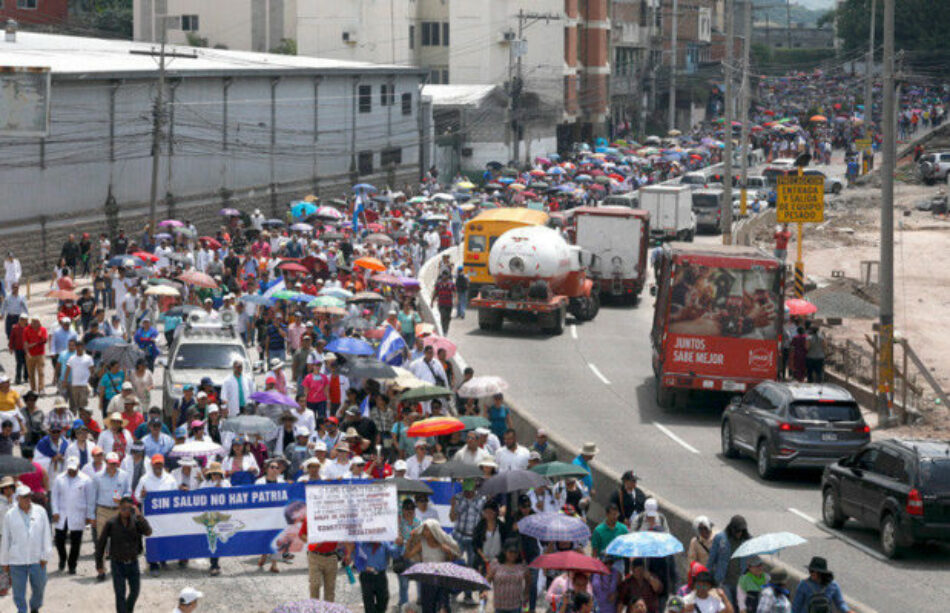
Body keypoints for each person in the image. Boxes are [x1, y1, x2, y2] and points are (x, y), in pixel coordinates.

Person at [0, 484, 52, 613]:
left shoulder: (40, 511)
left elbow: (47, 534)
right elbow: (6, 539)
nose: (28, 499)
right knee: (18, 591)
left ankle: (35, 606)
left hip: (37, 558)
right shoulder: (10, 515)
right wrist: (4, 562)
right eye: (24, 497)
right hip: (17, 559)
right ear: (17, 498)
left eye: (29, 496)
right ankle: (21, 610)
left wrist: (45, 555)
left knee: (39, 587)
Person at [95, 495, 152, 613]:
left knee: (135, 591)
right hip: (117, 565)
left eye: (128, 508)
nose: (125, 511)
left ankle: (127, 610)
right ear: (119, 508)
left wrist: (140, 515)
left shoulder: (136, 521)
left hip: (133, 563)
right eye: (123, 508)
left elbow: (148, 532)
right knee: (120, 594)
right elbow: (101, 544)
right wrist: (99, 565)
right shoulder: (111, 523)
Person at [51, 455, 95, 574]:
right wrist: (55, 511)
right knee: (59, 539)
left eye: (74, 469)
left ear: (78, 467)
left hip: (78, 513)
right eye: (70, 469)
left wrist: (89, 515)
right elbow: (54, 496)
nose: (71, 471)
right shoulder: (59, 478)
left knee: (76, 542)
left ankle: (72, 564)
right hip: (62, 513)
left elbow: (90, 499)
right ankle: (62, 558)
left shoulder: (86, 479)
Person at [405, 519, 460, 613]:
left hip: (441, 579)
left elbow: (450, 561)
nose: (425, 532)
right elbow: (408, 555)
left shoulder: (443, 543)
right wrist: (410, 540)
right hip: (427, 579)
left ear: (434, 530)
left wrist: (449, 552)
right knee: (427, 607)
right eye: (424, 530)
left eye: (427, 530)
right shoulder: (422, 543)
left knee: (443, 607)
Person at [707, 516, 751, 608]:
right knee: (728, 606)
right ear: (732, 529)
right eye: (738, 531)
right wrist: (706, 577)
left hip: (740, 583)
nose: (740, 533)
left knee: (740, 607)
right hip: (724, 581)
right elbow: (711, 559)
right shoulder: (720, 538)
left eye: (742, 531)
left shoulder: (747, 540)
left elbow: (752, 559)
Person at [488, 538, 530, 613]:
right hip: (499, 606)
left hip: (515, 606)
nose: (513, 555)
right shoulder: (496, 564)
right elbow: (488, 579)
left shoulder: (522, 565)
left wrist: (526, 594)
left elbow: (528, 580)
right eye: (510, 552)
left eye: (515, 552)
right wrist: (484, 592)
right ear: (504, 551)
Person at [354, 541, 395, 613]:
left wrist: (400, 546)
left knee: (384, 599)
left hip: (380, 575)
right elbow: (356, 558)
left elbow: (394, 554)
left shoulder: (385, 543)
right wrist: (363, 567)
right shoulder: (361, 544)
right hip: (366, 576)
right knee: (368, 602)